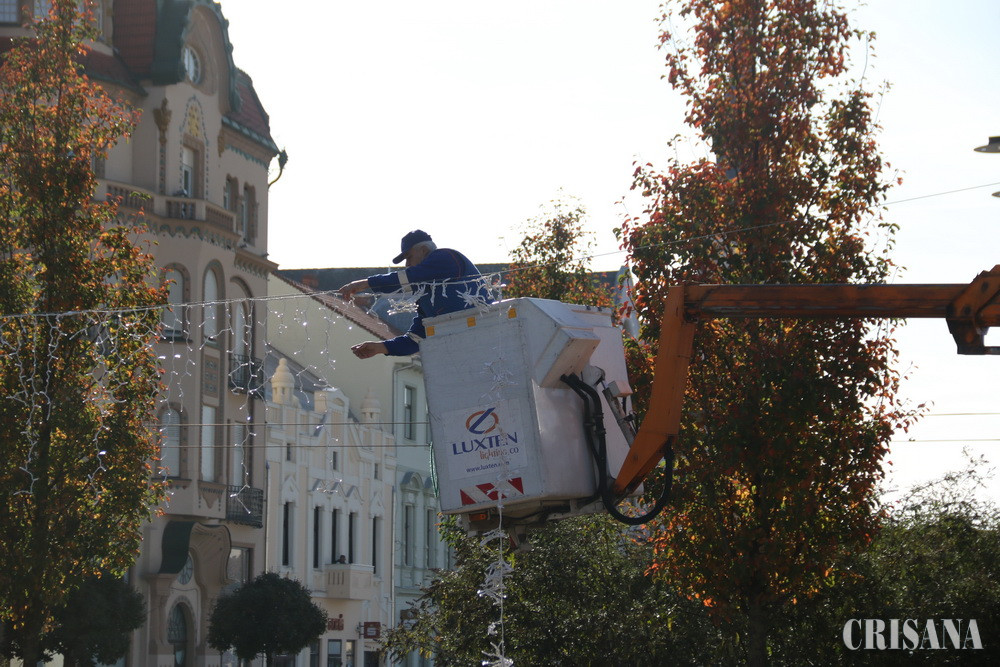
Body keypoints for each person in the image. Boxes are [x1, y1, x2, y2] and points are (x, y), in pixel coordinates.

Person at [338, 230, 491, 359]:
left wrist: (366, 283)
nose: (407, 264)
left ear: (424, 250)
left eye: (409, 257)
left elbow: (407, 277)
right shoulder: (426, 295)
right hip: (470, 349)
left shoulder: (446, 257)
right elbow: (415, 339)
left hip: (488, 336)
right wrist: (380, 347)